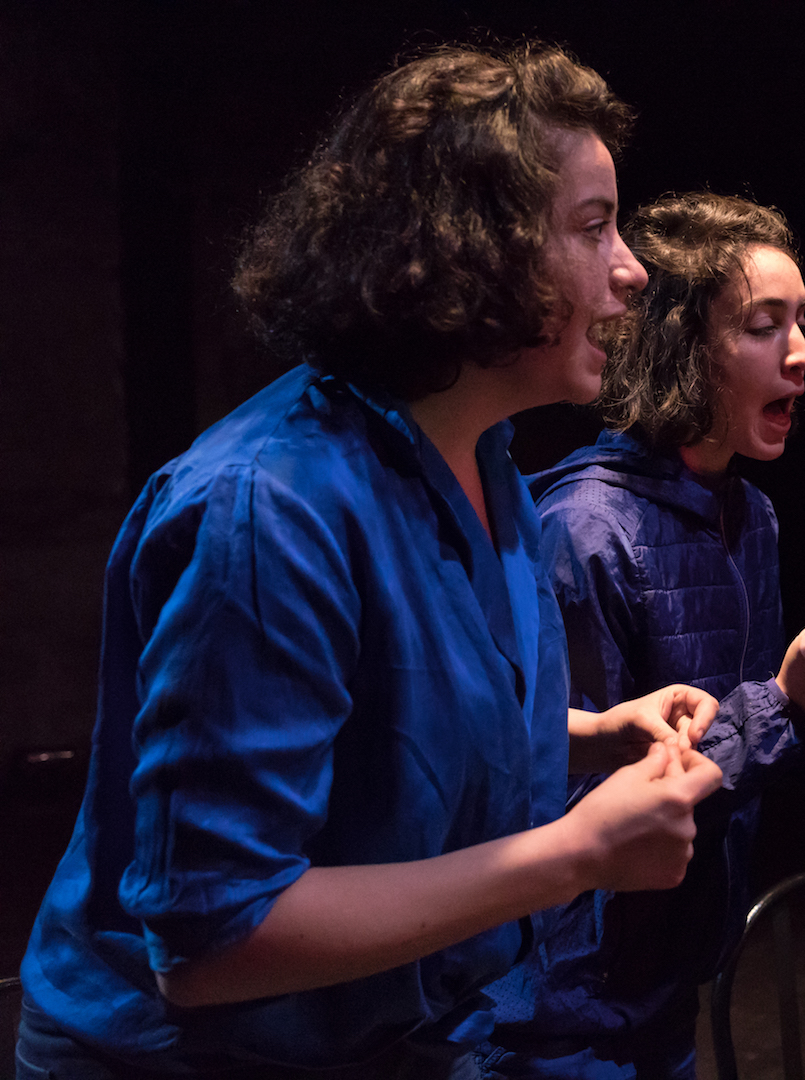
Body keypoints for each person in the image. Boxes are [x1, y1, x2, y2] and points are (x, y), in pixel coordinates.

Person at [17, 44, 724, 1079]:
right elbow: (213, 942)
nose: (632, 268)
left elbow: (392, 722)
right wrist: (573, 856)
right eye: (591, 226)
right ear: (468, 249)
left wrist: (591, 739)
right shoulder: (268, 510)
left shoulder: (484, 460)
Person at [479, 192, 805, 1079]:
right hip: (565, 1010)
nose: (802, 355)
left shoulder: (747, 516)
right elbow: (576, 807)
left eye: (801, 322)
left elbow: (742, 767)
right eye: (765, 326)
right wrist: (781, 703)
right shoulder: (586, 527)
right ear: (685, 344)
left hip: (672, 986)